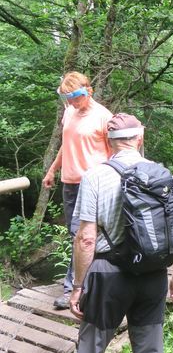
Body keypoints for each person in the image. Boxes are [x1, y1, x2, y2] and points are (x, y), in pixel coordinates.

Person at [62, 113, 173, 353]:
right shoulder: (164, 176)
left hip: (108, 276)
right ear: (139, 137)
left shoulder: (95, 176)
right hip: (154, 276)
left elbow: (86, 239)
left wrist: (78, 287)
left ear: (109, 141)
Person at [42, 72, 113, 310]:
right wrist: (52, 170)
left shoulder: (103, 117)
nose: (72, 102)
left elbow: (114, 155)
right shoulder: (70, 112)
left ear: (87, 91)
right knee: (79, 236)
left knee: (82, 235)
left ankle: (73, 289)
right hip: (70, 182)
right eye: (67, 98)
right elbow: (67, 143)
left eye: (75, 97)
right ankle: (89, 284)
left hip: (93, 184)